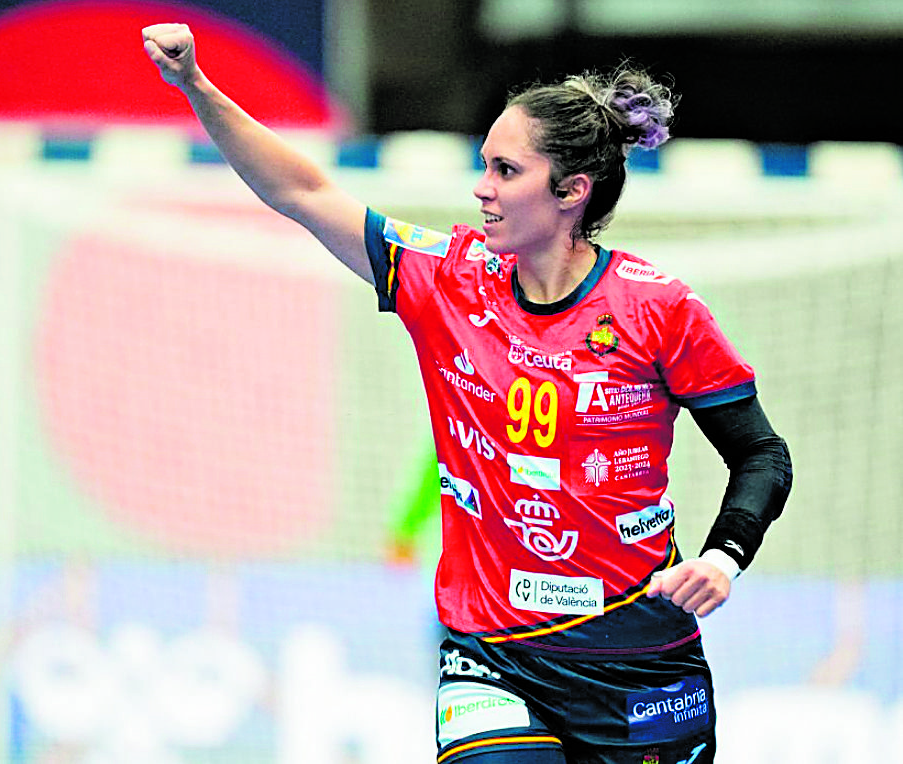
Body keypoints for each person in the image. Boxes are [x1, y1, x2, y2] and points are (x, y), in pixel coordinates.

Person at [142, 23, 793, 764]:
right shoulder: (446, 278)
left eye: (505, 171)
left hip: (637, 659)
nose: (481, 188)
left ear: (572, 191)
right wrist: (196, 85)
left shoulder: (659, 309)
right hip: (491, 656)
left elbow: (761, 454)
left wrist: (722, 557)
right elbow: (301, 189)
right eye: (482, 165)